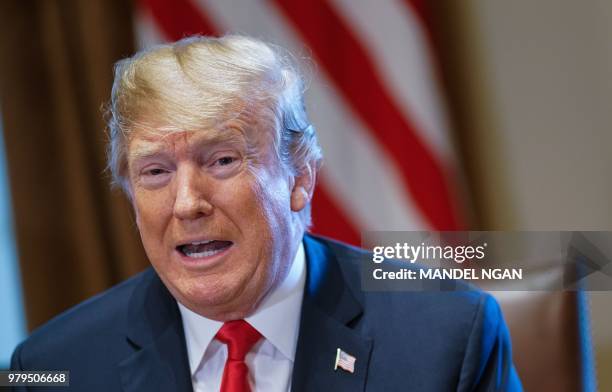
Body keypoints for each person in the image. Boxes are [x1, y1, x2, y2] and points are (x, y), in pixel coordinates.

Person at [11, 35, 522, 391]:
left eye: (223, 160)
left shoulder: (445, 337)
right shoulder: (60, 367)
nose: (187, 203)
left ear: (300, 177)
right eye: (155, 172)